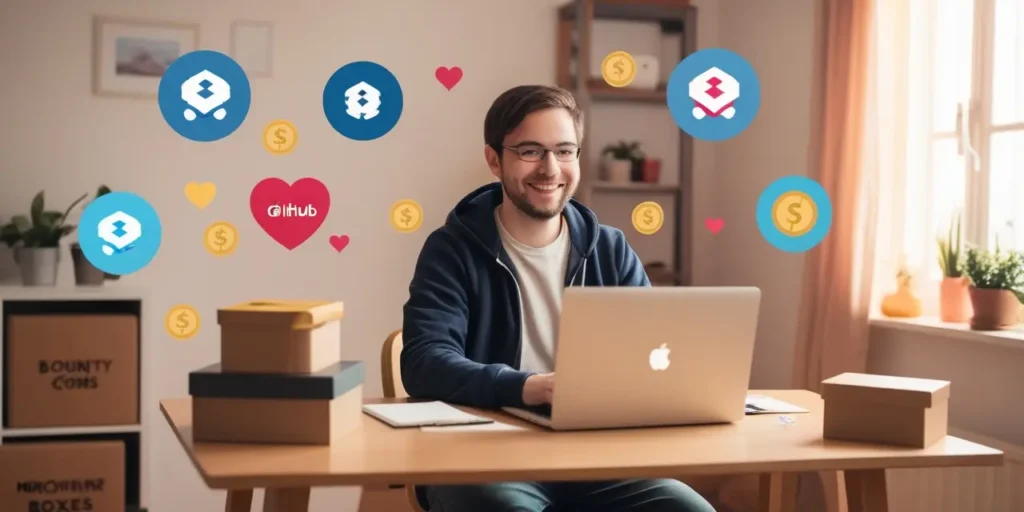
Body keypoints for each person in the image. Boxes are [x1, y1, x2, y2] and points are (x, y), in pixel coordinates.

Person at [400, 85, 716, 512]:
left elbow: (653, 352)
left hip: (596, 461)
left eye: (565, 151)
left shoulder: (610, 249)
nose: (550, 169)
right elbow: (424, 362)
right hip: (480, 459)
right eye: (530, 151)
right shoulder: (452, 249)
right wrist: (529, 388)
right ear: (495, 159)